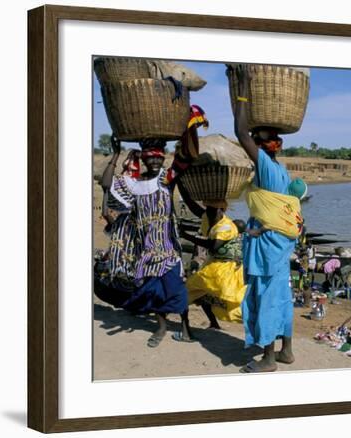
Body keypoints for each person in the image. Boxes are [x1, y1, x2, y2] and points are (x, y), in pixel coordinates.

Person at [94, 106, 209, 348]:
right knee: (153, 292)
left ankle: (186, 329)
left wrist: (189, 130)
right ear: (144, 158)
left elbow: (188, 156)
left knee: (177, 289)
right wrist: (115, 153)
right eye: (151, 156)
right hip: (146, 250)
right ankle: (162, 327)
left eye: (160, 156)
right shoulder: (134, 185)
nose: (156, 160)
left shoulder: (166, 179)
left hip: (167, 248)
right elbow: (106, 184)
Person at [232, 64, 303, 373]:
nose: (251, 141)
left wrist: (245, 87)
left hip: (267, 246)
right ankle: (286, 351)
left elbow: (239, 130)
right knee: (281, 295)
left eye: (256, 140)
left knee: (265, 297)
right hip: (280, 243)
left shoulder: (266, 167)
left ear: (260, 148)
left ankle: (269, 358)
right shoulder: (281, 170)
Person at [177, 190, 247, 332]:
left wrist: (186, 236)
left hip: (222, 271)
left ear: (221, 210)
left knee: (185, 293)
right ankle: (213, 324)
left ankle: (185, 332)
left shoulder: (226, 226)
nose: (208, 212)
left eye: (211, 210)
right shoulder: (213, 219)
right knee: (202, 296)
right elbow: (194, 207)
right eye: (208, 209)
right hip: (216, 268)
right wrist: (182, 187)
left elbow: (213, 245)